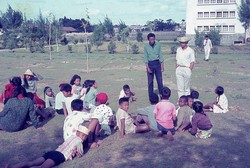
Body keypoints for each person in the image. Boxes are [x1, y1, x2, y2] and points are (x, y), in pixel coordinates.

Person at [11, 125, 89, 168]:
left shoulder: (72, 136)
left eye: (85, 136)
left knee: (32, 163)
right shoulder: (79, 141)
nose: (84, 137)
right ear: (78, 133)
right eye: (83, 135)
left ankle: (12, 167)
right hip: (60, 156)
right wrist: (77, 153)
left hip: (53, 152)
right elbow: (80, 154)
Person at [144, 33, 164, 98]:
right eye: (151, 39)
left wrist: (162, 65)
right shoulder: (146, 46)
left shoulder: (158, 45)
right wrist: (147, 67)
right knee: (150, 82)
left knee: (160, 81)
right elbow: (145, 57)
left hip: (157, 64)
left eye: (153, 39)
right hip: (150, 64)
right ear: (148, 40)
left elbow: (160, 54)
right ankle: (151, 96)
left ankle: (162, 95)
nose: (152, 41)